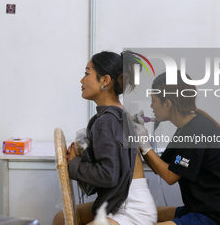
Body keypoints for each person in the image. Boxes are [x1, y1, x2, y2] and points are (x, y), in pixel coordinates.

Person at [52, 51, 157, 225]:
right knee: (60, 220)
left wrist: (74, 164)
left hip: (131, 209)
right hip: (120, 200)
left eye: (87, 73)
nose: (82, 80)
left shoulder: (108, 120)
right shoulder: (115, 115)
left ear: (105, 81)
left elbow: (108, 175)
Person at [136, 70, 220, 225]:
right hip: (200, 208)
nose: (151, 106)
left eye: (153, 101)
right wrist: (142, 145)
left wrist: (145, 145)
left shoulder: (196, 131)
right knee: (145, 213)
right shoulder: (185, 129)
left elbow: (170, 176)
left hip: (217, 216)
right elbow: (159, 167)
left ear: (168, 104)